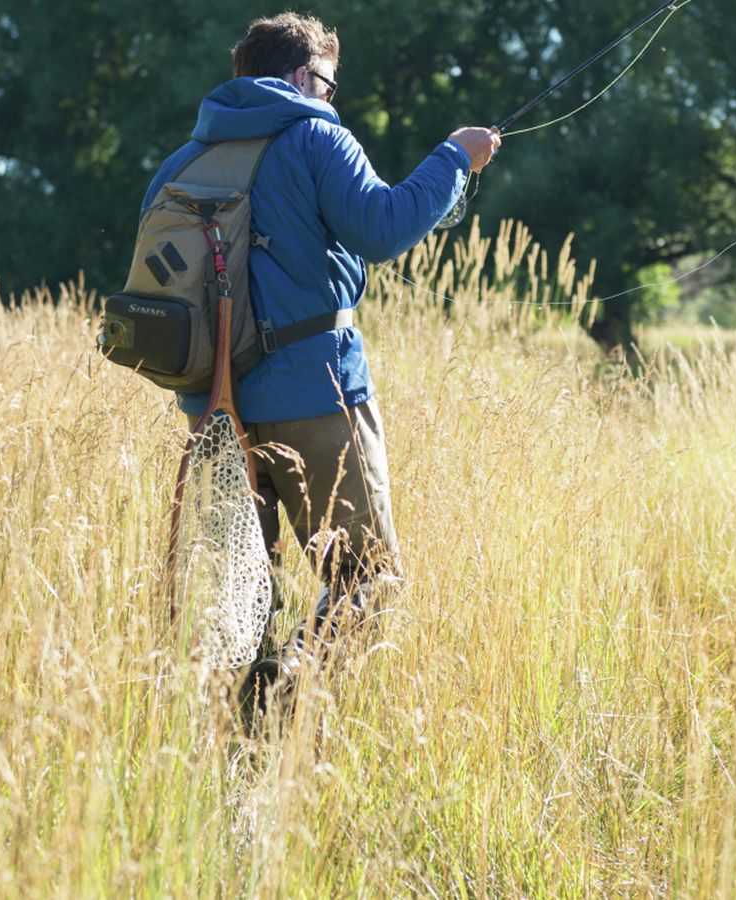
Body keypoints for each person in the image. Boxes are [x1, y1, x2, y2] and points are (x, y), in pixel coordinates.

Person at [142, 12, 500, 723]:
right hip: (315, 396)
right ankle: (282, 701)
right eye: (328, 85)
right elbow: (383, 226)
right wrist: (454, 158)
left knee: (244, 594)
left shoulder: (182, 159)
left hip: (214, 412)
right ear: (305, 77)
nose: (330, 98)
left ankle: (234, 752)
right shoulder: (315, 135)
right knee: (372, 579)